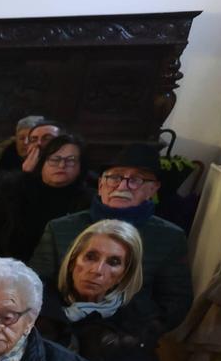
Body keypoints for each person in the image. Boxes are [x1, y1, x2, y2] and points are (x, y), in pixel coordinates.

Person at [24, 143, 190, 337]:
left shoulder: (169, 237)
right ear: (101, 183)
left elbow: (176, 299)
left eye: (136, 179)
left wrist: (139, 333)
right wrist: (54, 322)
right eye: (115, 177)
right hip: (62, 327)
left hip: (127, 335)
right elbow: (36, 282)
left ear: (153, 189)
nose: (122, 186)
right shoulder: (60, 228)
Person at [35, 220, 166, 361]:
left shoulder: (135, 328)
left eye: (113, 262)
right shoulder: (36, 306)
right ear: (72, 261)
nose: (97, 270)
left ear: (124, 274)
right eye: (90, 257)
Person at [0, 132, 91, 263]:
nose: (61, 165)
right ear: (42, 163)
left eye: (70, 160)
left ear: (81, 167)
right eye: (55, 159)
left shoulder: (88, 201)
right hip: (11, 265)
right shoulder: (15, 191)